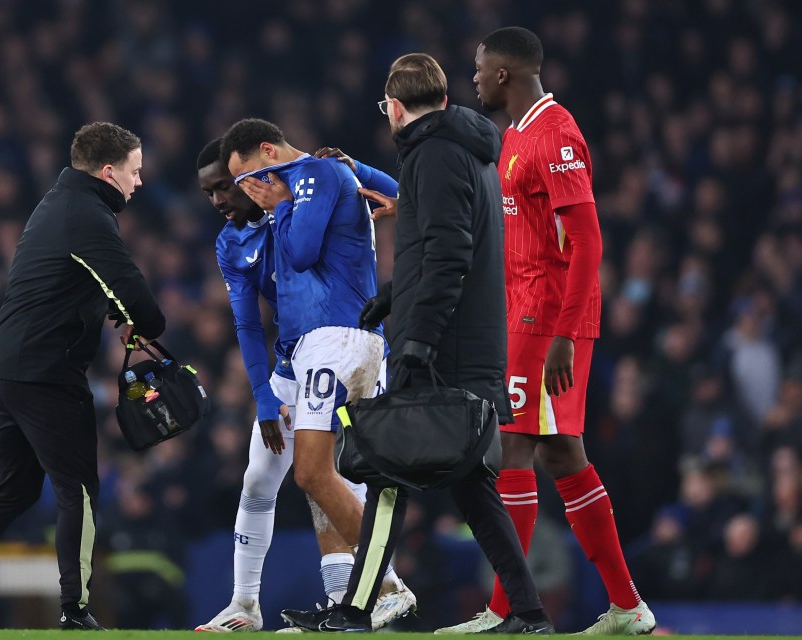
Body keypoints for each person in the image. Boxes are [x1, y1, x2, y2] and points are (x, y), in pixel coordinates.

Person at [279, 53, 553, 634]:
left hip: (441, 350)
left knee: (385, 473)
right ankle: (528, 613)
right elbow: (439, 249)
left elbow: (448, 253)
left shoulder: (433, 154)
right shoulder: (467, 151)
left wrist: (417, 342)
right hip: (468, 342)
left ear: (395, 108)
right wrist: (392, 294)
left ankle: (356, 610)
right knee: (474, 488)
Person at [438, 27, 657, 635]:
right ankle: (626, 606)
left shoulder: (556, 133)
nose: (475, 77)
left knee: (512, 446)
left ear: (504, 73)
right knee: (562, 455)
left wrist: (562, 332)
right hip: (523, 311)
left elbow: (588, 241)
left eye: (480, 67)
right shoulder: (514, 137)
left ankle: (508, 611)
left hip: (548, 316)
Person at [0, 122, 166, 631]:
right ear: (108, 172)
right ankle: (75, 609)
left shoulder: (58, 202)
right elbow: (128, 283)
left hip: (10, 365)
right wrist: (147, 324)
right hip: (46, 372)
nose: (138, 182)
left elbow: (66, 283)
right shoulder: (88, 214)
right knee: (77, 489)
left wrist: (114, 314)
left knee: (13, 489)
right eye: (134, 171)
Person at [193, 140, 414, 631]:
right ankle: (244, 605)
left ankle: (379, 587)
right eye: (210, 193)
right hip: (292, 362)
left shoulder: (310, 189)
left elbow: (382, 198)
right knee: (259, 477)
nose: (220, 201)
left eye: (226, 186)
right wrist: (264, 397)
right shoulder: (234, 241)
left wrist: (358, 169)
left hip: (338, 344)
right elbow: (249, 326)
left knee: (325, 478)